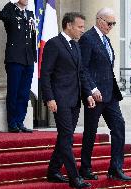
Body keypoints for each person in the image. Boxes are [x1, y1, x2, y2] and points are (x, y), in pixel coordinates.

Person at [40, 12, 95, 188]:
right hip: (60, 99)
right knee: (66, 137)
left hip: (74, 100)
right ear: (68, 25)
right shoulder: (53, 44)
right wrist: (49, 98)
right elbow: (45, 74)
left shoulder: (76, 46)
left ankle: (53, 170)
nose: (82, 30)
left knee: (66, 137)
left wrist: (87, 94)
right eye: (79, 27)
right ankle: (74, 177)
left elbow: (80, 74)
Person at [78, 8, 131, 182]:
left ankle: (116, 168)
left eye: (114, 24)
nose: (111, 26)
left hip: (110, 95)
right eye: (109, 23)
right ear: (100, 20)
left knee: (119, 127)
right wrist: (91, 90)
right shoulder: (87, 38)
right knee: (91, 132)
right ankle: (85, 168)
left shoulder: (106, 40)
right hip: (96, 95)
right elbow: (83, 68)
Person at [0, 0, 36, 133]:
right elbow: (2, 15)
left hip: (28, 58)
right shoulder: (10, 11)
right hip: (14, 57)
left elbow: (32, 36)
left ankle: (20, 121)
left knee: (24, 93)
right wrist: (11, 2)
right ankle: (12, 123)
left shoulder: (30, 13)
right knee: (13, 92)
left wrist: (33, 56)